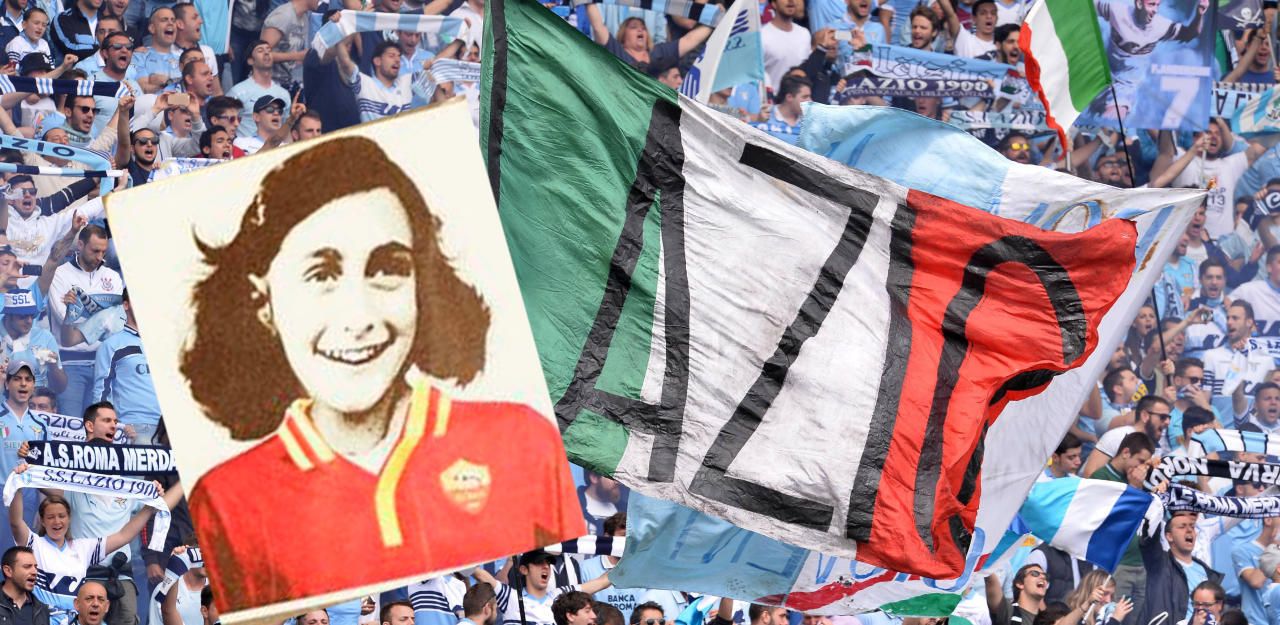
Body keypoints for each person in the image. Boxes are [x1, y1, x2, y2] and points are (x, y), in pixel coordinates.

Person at [180, 136, 582, 612]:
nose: (358, 316)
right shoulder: (227, 499)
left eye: (388, 269)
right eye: (321, 275)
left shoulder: (523, 440)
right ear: (262, 300)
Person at [6, 469, 181, 625]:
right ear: (42, 521)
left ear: (69, 518)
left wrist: (149, 508)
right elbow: (15, 522)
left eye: (62, 516)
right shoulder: (35, 544)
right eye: (51, 517)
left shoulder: (83, 548)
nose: (57, 522)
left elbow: (124, 535)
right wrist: (19, 483)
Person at [1086, 0, 1210, 120]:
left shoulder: (1161, 26)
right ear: (1139, 3)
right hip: (1101, 77)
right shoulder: (1117, 11)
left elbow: (1190, 33)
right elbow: (1086, 6)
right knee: (1089, 118)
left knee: (1113, 118)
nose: (1155, 10)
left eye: (1157, 5)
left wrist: (1199, 14)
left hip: (1127, 86)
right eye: (1151, 4)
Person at [48, 225, 122, 422]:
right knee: (71, 425)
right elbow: (62, 316)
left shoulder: (113, 276)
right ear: (80, 245)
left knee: (98, 426)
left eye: (103, 252)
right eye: (95, 250)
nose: (100, 257)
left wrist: (80, 307)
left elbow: (115, 321)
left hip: (102, 363)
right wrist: (101, 314)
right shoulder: (59, 274)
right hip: (69, 363)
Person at [90, 289, 160, 444]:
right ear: (126, 305)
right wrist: (113, 427)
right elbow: (101, 392)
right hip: (136, 428)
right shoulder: (112, 345)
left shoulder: (164, 344)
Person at [473, 551, 611, 625]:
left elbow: (601, 582)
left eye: (548, 563)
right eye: (539, 563)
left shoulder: (558, 596)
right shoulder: (511, 597)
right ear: (524, 569)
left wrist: (622, 564)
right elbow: (480, 574)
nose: (546, 567)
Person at [1139, 504, 1223, 625]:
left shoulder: (1207, 571)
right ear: (1169, 536)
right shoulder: (1159, 564)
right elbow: (1149, 537)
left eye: (1192, 526)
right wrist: (1157, 504)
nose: (1189, 530)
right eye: (1182, 527)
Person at [0, 289, 65, 393]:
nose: (29, 321)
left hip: (37, 399)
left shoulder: (44, 337)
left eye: (32, 315)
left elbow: (60, 389)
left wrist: (53, 366)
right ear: (8, 316)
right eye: (23, 316)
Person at [225, 40, 290, 139]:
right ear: (250, 61)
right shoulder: (237, 92)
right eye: (260, 50)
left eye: (269, 50)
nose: (266, 53)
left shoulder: (283, 94)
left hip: (275, 147)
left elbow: (285, 129)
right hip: (246, 147)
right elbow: (226, 124)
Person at [760, 0, 810, 92]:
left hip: (798, 98)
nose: (790, 1)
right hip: (772, 97)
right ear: (774, 4)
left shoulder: (804, 34)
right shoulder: (762, 36)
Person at [751, 75, 810, 146]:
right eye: (805, 97)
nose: (810, 100)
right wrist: (759, 124)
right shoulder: (763, 115)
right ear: (789, 97)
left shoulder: (808, 123)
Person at [0, 546, 48, 625]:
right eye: (27, 567)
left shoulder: (42, 609)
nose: (34, 572)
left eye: (35, 567)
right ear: (8, 571)